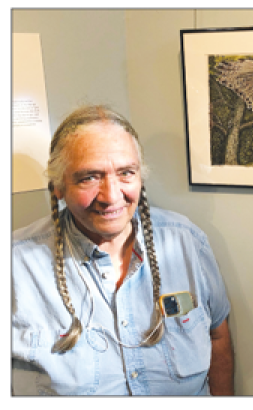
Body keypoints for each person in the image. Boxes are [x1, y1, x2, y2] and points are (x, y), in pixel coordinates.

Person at [12, 105, 234, 395]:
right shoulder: (15, 265)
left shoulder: (187, 242)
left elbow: (218, 336)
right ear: (58, 186)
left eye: (126, 173)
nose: (111, 196)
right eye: (89, 177)